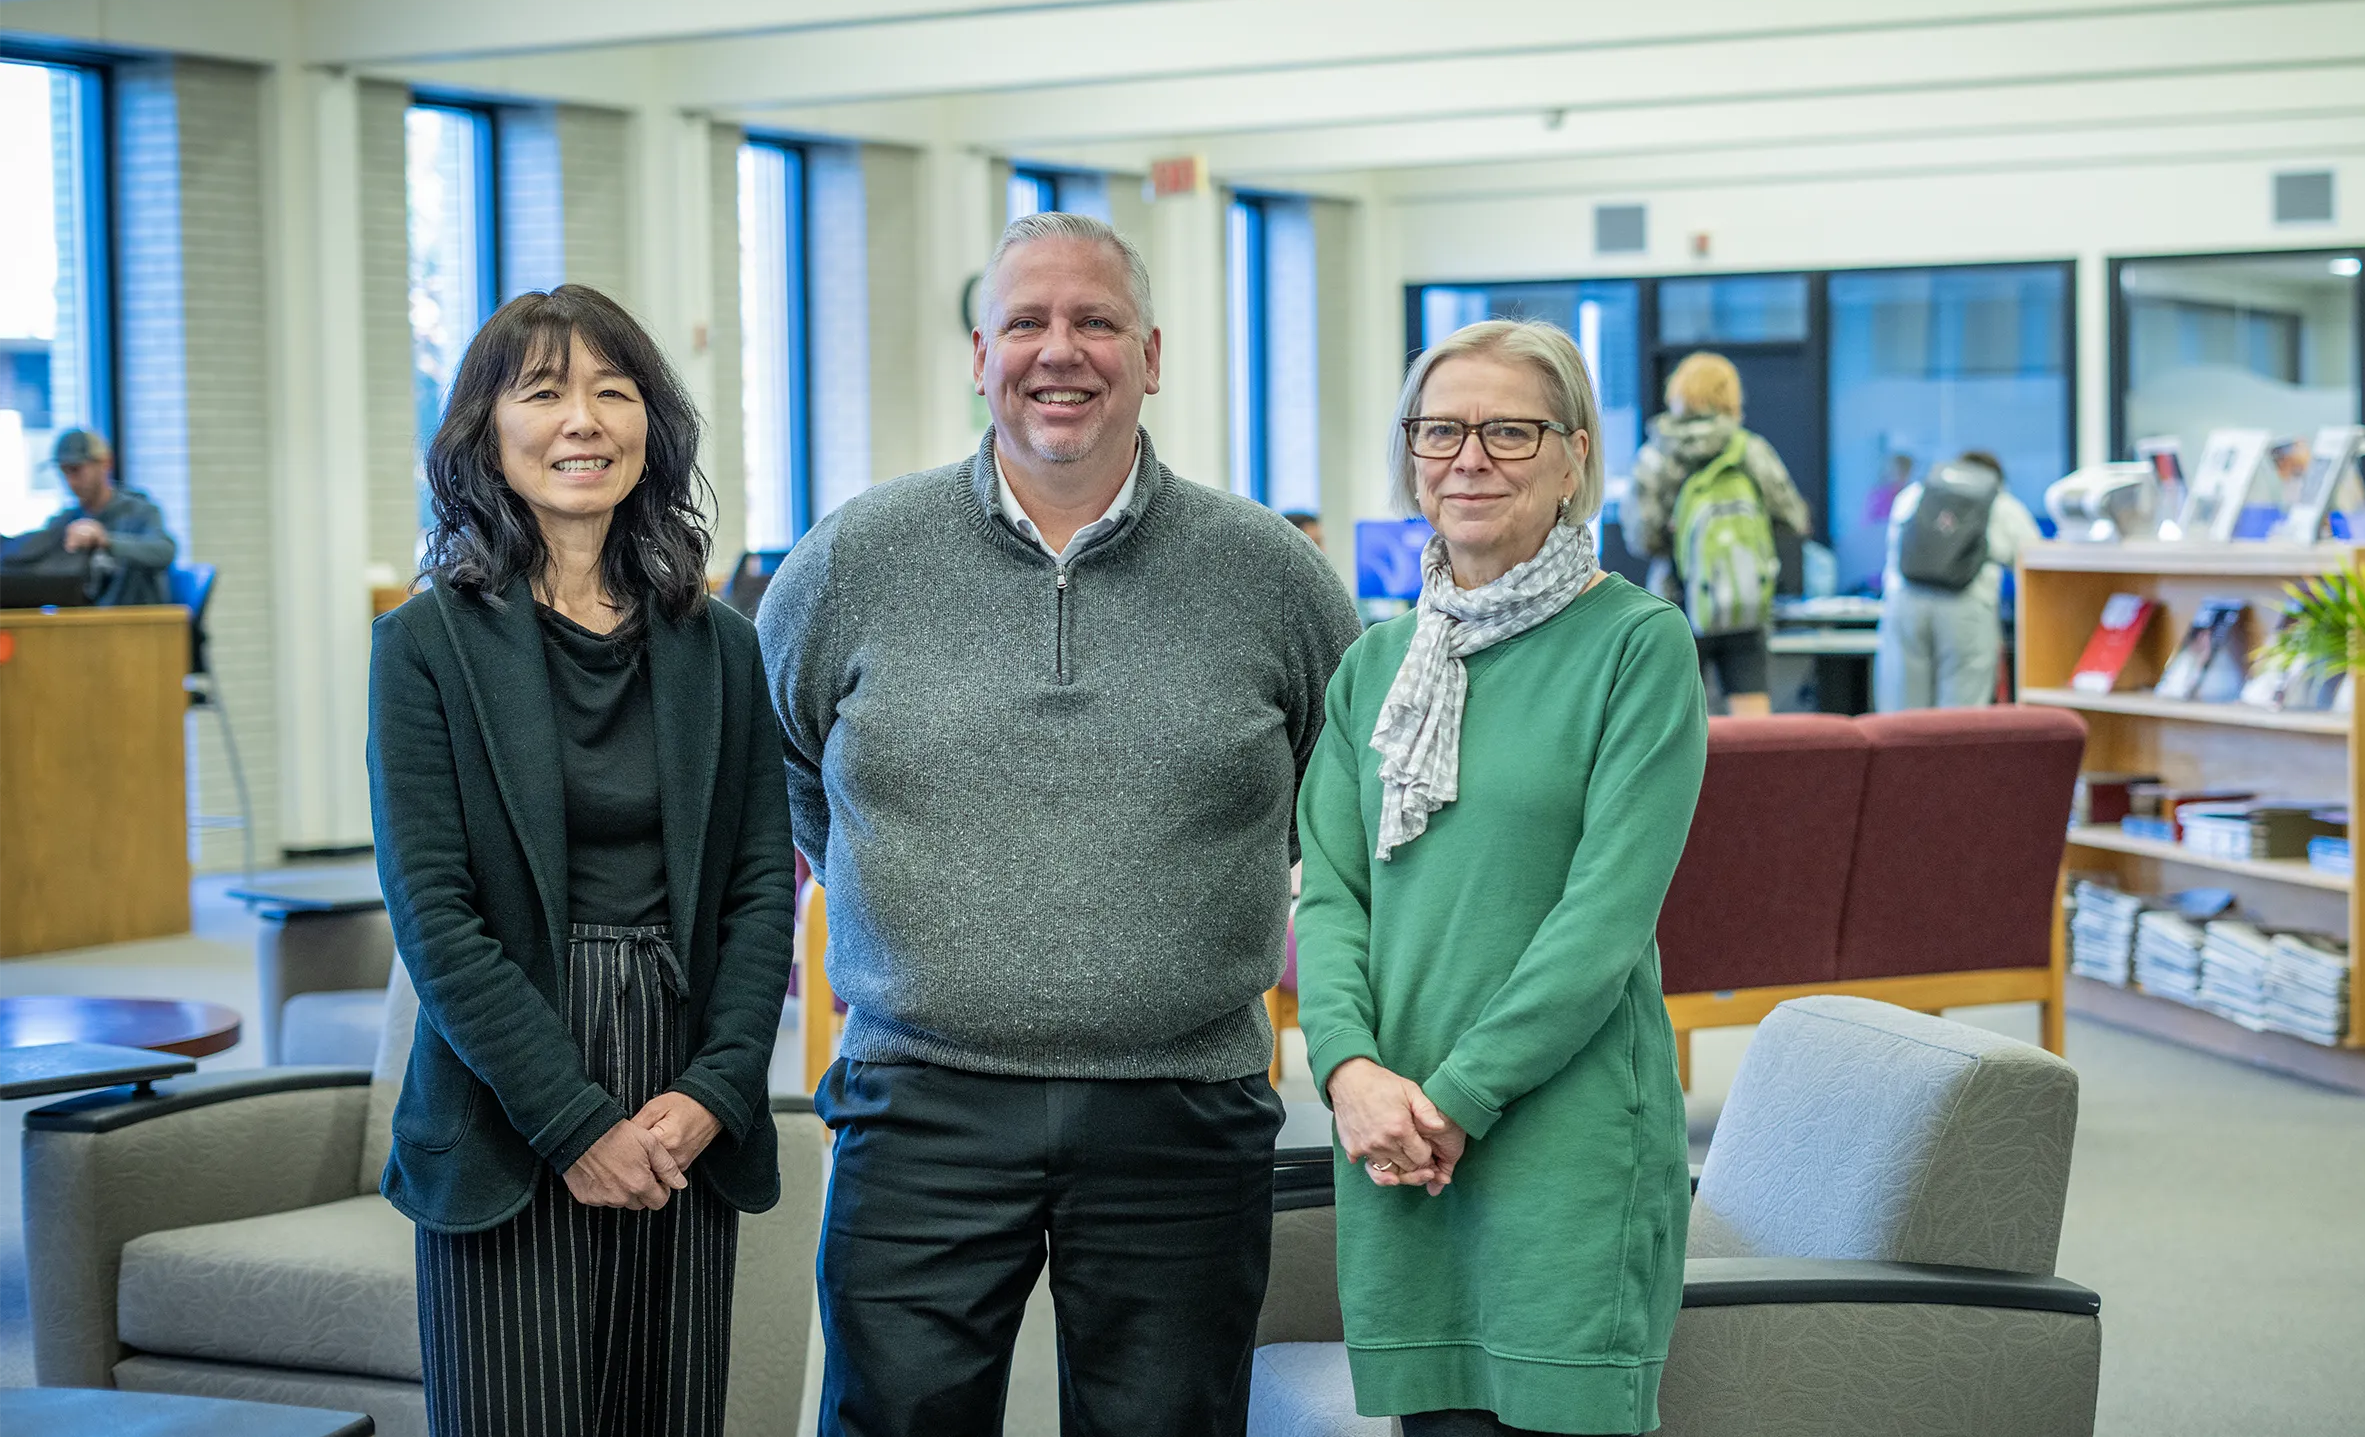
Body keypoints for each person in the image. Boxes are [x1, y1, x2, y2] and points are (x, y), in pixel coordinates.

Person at [759, 212, 1361, 1437]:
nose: (1059, 350)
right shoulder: (854, 560)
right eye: (1026, 322)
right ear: (979, 353)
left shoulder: (1271, 574)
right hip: (918, 1098)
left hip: (1182, 1104)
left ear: (1152, 353)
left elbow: (1329, 799)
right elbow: (785, 766)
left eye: (1094, 321)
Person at [367, 285, 796, 1437]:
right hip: (510, 1086)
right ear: (483, 431)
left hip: (679, 1084)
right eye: (544, 392)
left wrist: (714, 1093)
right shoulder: (423, 647)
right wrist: (572, 1123)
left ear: (650, 425)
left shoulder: (722, 649)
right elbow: (434, 917)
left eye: (614, 391)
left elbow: (764, 891)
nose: (583, 421)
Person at [1295, 319, 1708, 1437]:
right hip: (1392, 1142)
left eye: (1509, 432)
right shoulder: (1375, 666)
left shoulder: (1637, 644)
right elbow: (1330, 897)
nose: (1467, 458)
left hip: (1561, 1142)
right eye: (1440, 430)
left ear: (1576, 456)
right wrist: (1350, 1077)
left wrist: (1457, 1098)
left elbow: (1603, 920)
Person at [1623, 351, 1808, 715]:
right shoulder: (1749, 450)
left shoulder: (1656, 456)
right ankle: (1753, 776)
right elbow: (1793, 516)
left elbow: (1640, 536)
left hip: (1677, 598)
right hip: (1744, 597)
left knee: (1679, 718)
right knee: (1754, 729)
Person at [1875, 448, 2041, 711]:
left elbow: (1894, 550)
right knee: (1959, 719)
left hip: (1905, 604)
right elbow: (2035, 559)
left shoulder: (1915, 493)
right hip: (1966, 608)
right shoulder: (2001, 502)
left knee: (1900, 714)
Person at [0, 429, 176, 605]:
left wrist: (106, 541)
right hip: (86, 623)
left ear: (106, 463)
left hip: (137, 621)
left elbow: (165, 552)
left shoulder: (139, 512)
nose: (70, 482)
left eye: (76, 470)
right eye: (64, 472)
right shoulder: (66, 521)